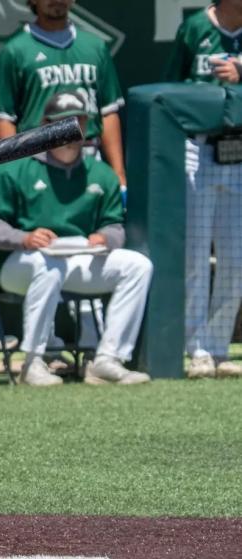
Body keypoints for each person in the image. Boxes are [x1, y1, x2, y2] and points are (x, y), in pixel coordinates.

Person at [0, 92, 152, 386]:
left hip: (78, 258)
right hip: (19, 264)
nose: (72, 129)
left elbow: (114, 225)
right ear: (46, 125)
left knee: (137, 265)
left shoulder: (100, 173)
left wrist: (105, 237)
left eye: (79, 120)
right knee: (47, 264)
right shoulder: (14, 167)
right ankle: (33, 362)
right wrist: (24, 237)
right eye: (63, 122)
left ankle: (108, 360)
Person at [164, 0, 242, 379]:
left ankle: (218, 346)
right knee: (195, 253)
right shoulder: (196, 27)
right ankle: (195, 348)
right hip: (199, 146)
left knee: (236, 258)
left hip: (241, 150)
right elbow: (171, 88)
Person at [0, 0, 126, 188]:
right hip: (37, 158)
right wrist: (16, 171)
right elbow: (4, 119)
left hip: (88, 155)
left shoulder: (95, 47)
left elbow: (108, 113)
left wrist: (118, 174)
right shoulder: (14, 50)